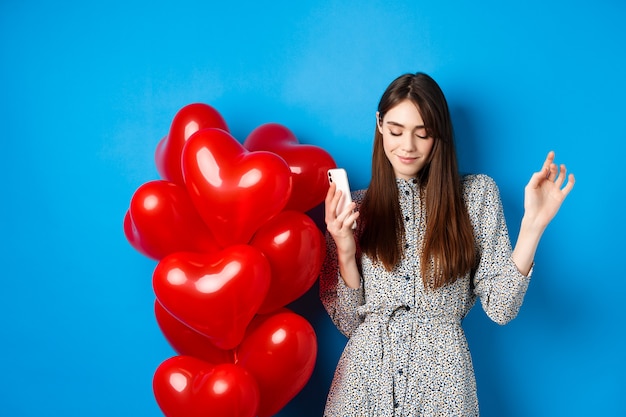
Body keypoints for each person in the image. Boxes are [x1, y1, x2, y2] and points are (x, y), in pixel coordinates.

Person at [320, 72, 575, 417]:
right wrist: (345, 247)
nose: (407, 146)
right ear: (379, 125)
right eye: (395, 131)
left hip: (443, 387)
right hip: (363, 387)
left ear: (439, 134)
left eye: (422, 133)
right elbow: (351, 323)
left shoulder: (476, 197)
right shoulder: (357, 209)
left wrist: (532, 225)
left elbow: (501, 309)